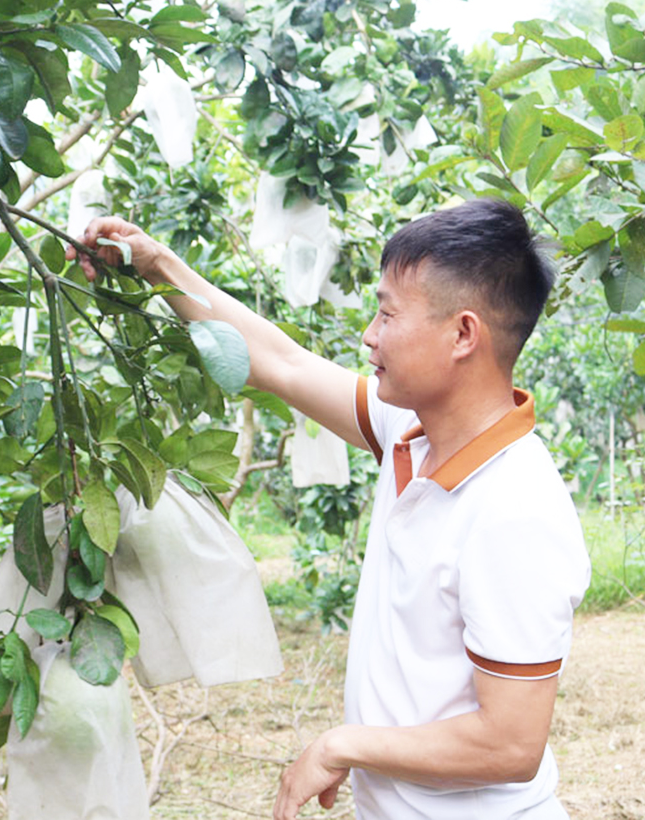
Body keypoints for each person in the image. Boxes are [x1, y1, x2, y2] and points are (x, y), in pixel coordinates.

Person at [67, 199, 591, 820]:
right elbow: (280, 364)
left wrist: (343, 745)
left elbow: (510, 745)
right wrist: (159, 266)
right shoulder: (411, 429)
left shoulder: (514, 509)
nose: (370, 334)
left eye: (388, 313)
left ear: (463, 334)